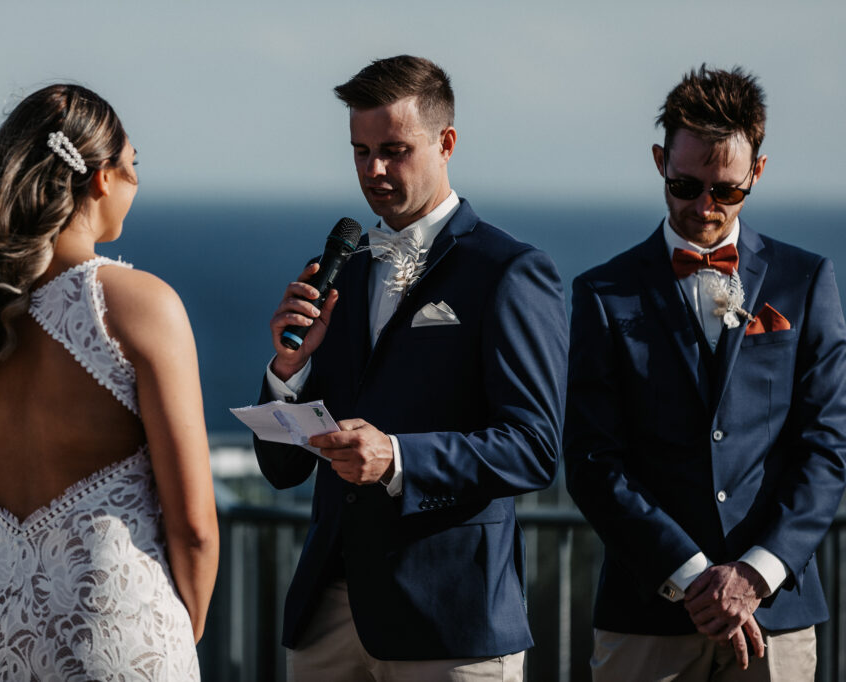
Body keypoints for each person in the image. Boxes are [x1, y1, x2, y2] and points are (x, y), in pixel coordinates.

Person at [0, 84, 218, 680]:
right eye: (133, 166)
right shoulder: (141, 306)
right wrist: (176, 631)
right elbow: (193, 527)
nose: (136, 184)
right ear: (102, 178)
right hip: (110, 628)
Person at [255, 55, 568, 680]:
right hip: (328, 622)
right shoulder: (342, 268)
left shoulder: (508, 271)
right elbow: (282, 468)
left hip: (450, 619)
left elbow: (534, 448)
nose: (373, 170)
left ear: (446, 142)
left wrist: (396, 458)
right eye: (360, 150)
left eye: (394, 149)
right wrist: (287, 374)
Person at [565, 64, 846, 680]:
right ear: (661, 161)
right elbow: (591, 460)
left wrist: (754, 573)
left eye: (727, 190)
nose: (704, 207)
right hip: (649, 614)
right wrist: (695, 579)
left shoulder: (807, 281)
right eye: (686, 185)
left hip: (777, 613)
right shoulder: (603, 293)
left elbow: (826, 449)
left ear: (758, 174)